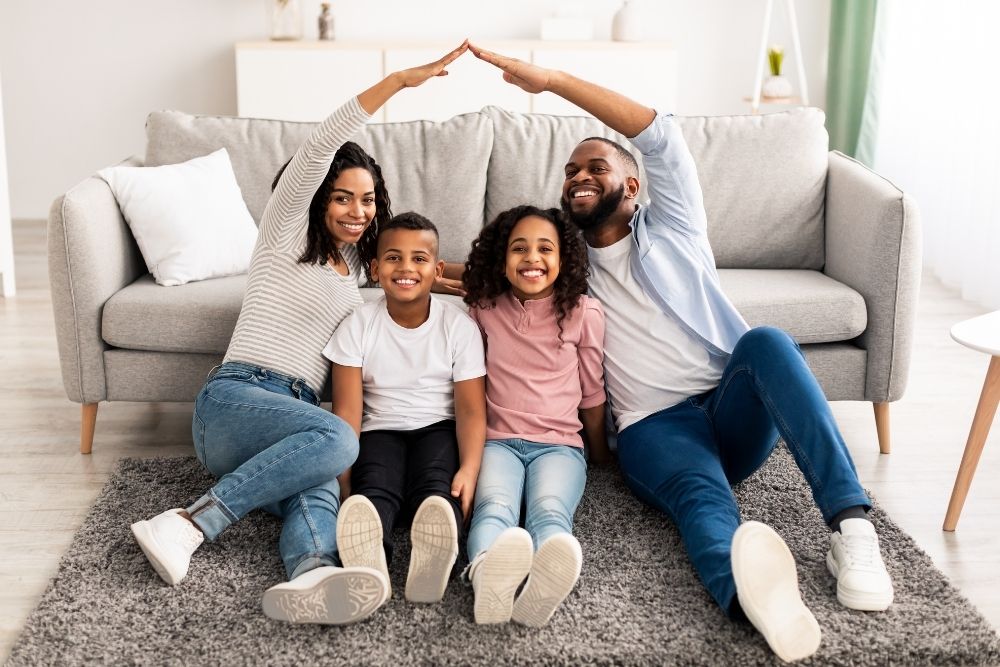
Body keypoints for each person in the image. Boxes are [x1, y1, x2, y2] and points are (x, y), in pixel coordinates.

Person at [469, 43, 894, 662]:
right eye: (569, 172)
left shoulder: (675, 227)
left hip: (730, 404)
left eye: (595, 168)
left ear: (634, 186)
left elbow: (660, 136)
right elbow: (489, 272)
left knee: (768, 342)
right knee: (703, 502)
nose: (578, 177)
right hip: (653, 427)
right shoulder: (563, 268)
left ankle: (852, 527)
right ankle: (750, 601)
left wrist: (554, 81)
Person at [128, 42, 470, 626]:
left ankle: (313, 577)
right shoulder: (285, 231)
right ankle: (188, 523)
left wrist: (506, 276)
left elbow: (416, 269)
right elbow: (322, 143)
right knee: (343, 442)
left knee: (320, 492)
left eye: (367, 200)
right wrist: (397, 82)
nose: (357, 210)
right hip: (237, 401)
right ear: (315, 198)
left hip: (293, 427)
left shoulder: (357, 272)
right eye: (342, 197)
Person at [325, 212, 487, 608]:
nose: (406, 268)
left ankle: (433, 560)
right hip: (379, 429)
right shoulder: (358, 324)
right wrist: (344, 482)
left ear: (437, 269)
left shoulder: (458, 324)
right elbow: (347, 411)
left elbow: (469, 410)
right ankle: (370, 560)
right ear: (376, 268)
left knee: (437, 488)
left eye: (419, 258)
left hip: (439, 428)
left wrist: (469, 469)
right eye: (394, 258)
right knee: (375, 487)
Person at [460, 205, 609, 627]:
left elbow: (592, 393)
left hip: (560, 447)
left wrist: (598, 455)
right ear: (501, 260)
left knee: (548, 510)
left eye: (545, 249)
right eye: (519, 249)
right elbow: (465, 287)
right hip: (497, 442)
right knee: (494, 507)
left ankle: (547, 576)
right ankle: (488, 576)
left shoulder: (584, 312)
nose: (532, 258)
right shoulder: (484, 308)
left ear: (563, 260)